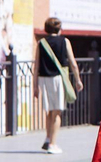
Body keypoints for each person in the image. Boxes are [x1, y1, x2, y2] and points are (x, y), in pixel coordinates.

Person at [36, 17, 83, 154]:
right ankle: (52, 144)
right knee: (57, 112)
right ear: (59, 28)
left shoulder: (41, 43)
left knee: (49, 111)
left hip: (43, 79)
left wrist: (34, 86)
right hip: (57, 78)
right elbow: (73, 63)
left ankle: (47, 138)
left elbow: (36, 65)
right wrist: (78, 80)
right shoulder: (65, 41)